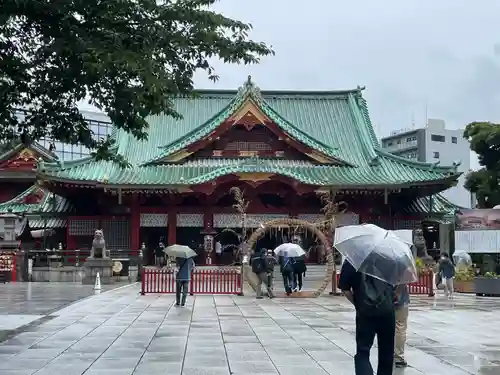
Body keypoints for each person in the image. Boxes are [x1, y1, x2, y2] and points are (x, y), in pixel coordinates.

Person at [338, 260, 396, 375]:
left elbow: (345, 288)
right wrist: (393, 297)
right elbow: (401, 281)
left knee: (363, 351)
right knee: (387, 351)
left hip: (365, 312)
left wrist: (357, 303)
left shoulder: (352, 261)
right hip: (387, 311)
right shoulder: (388, 258)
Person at [394, 283, 409, 368]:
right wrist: (397, 293)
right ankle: (399, 357)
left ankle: (389, 353)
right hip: (400, 300)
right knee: (400, 326)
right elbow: (405, 278)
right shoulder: (401, 269)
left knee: (387, 327)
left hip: (382, 299)